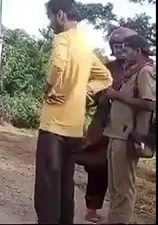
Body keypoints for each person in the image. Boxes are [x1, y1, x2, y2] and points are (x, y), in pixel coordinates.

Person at [34, 0, 113, 224]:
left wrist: (48, 89)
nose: (49, 23)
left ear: (60, 15)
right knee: (65, 187)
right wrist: (83, 91)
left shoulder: (63, 38)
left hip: (53, 128)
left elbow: (58, 65)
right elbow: (106, 78)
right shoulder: (85, 43)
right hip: (75, 130)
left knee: (47, 189)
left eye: (50, 17)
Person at [76, 27, 138, 223]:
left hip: (126, 127)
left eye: (123, 46)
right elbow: (94, 92)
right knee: (97, 166)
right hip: (102, 124)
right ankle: (92, 208)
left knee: (121, 173)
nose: (120, 50)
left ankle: (119, 214)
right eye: (116, 46)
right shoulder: (107, 68)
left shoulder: (140, 69)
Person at [103, 34, 156, 224]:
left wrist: (117, 95)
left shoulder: (145, 72)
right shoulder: (132, 71)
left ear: (138, 51)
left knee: (124, 186)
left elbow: (149, 103)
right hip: (116, 132)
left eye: (127, 50)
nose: (123, 53)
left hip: (127, 135)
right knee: (116, 185)